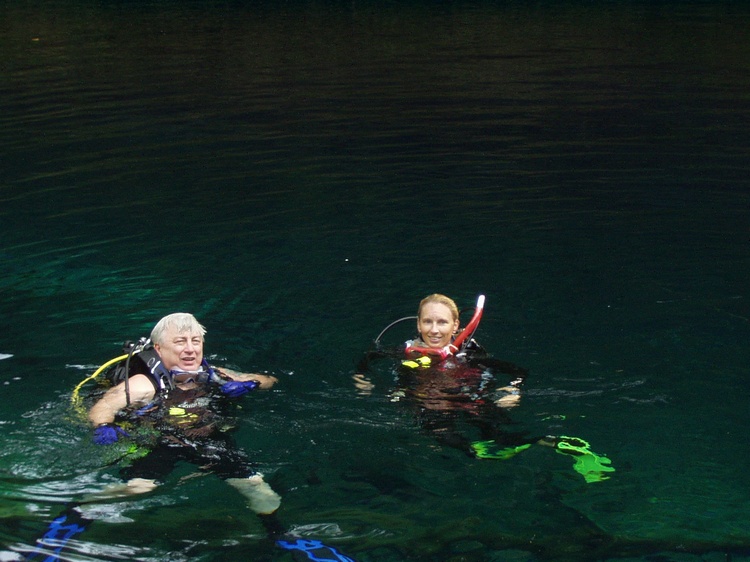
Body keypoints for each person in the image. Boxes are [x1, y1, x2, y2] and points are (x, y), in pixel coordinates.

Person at [353, 294, 615, 483]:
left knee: (499, 432)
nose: (434, 330)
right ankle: (477, 452)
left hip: (470, 399)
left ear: (456, 326)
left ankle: (560, 444)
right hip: (430, 403)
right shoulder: (403, 352)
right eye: (428, 322)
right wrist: (362, 377)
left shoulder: (470, 353)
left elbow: (518, 371)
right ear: (418, 325)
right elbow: (368, 358)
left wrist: (513, 389)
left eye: (442, 322)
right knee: (445, 437)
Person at [86, 312, 282, 515]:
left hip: (208, 440)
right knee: (138, 488)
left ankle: (277, 533)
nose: (190, 349)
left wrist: (252, 384)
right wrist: (103, 426)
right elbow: (103, 407)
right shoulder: (143, 384)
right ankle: (79, 511)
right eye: (180, 342)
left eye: (195, 341)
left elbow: (270, 380)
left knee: (257, 486)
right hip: (160, 442)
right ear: (159, 349)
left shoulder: (214, 374)